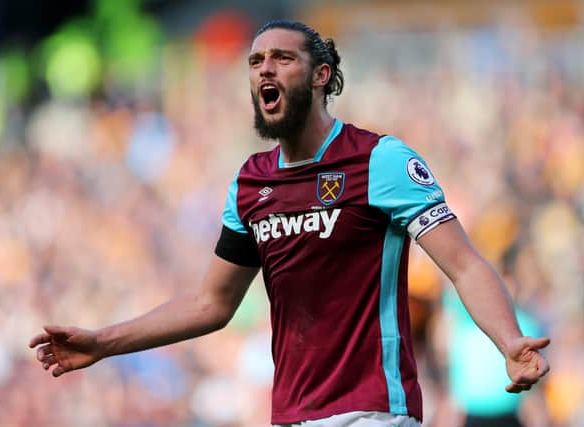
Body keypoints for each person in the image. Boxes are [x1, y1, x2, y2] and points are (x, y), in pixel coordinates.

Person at [29, 20, 550, 427]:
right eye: (256, 61)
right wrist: (103, 343)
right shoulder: (250, 185)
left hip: (373, 411)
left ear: (321, 75)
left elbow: (463, 265)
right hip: (290, 414)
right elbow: (210, 305)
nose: (264, 69)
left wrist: (509, 341)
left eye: (282, 58)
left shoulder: (379, 161)